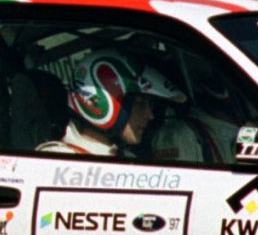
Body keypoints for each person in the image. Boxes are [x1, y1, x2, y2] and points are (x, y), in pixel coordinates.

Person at [36, 48, 185, 157]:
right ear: (101, 103)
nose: (150, 115)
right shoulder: (56, 160)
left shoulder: (125, 158)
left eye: (149, 105)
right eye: (140, 103)